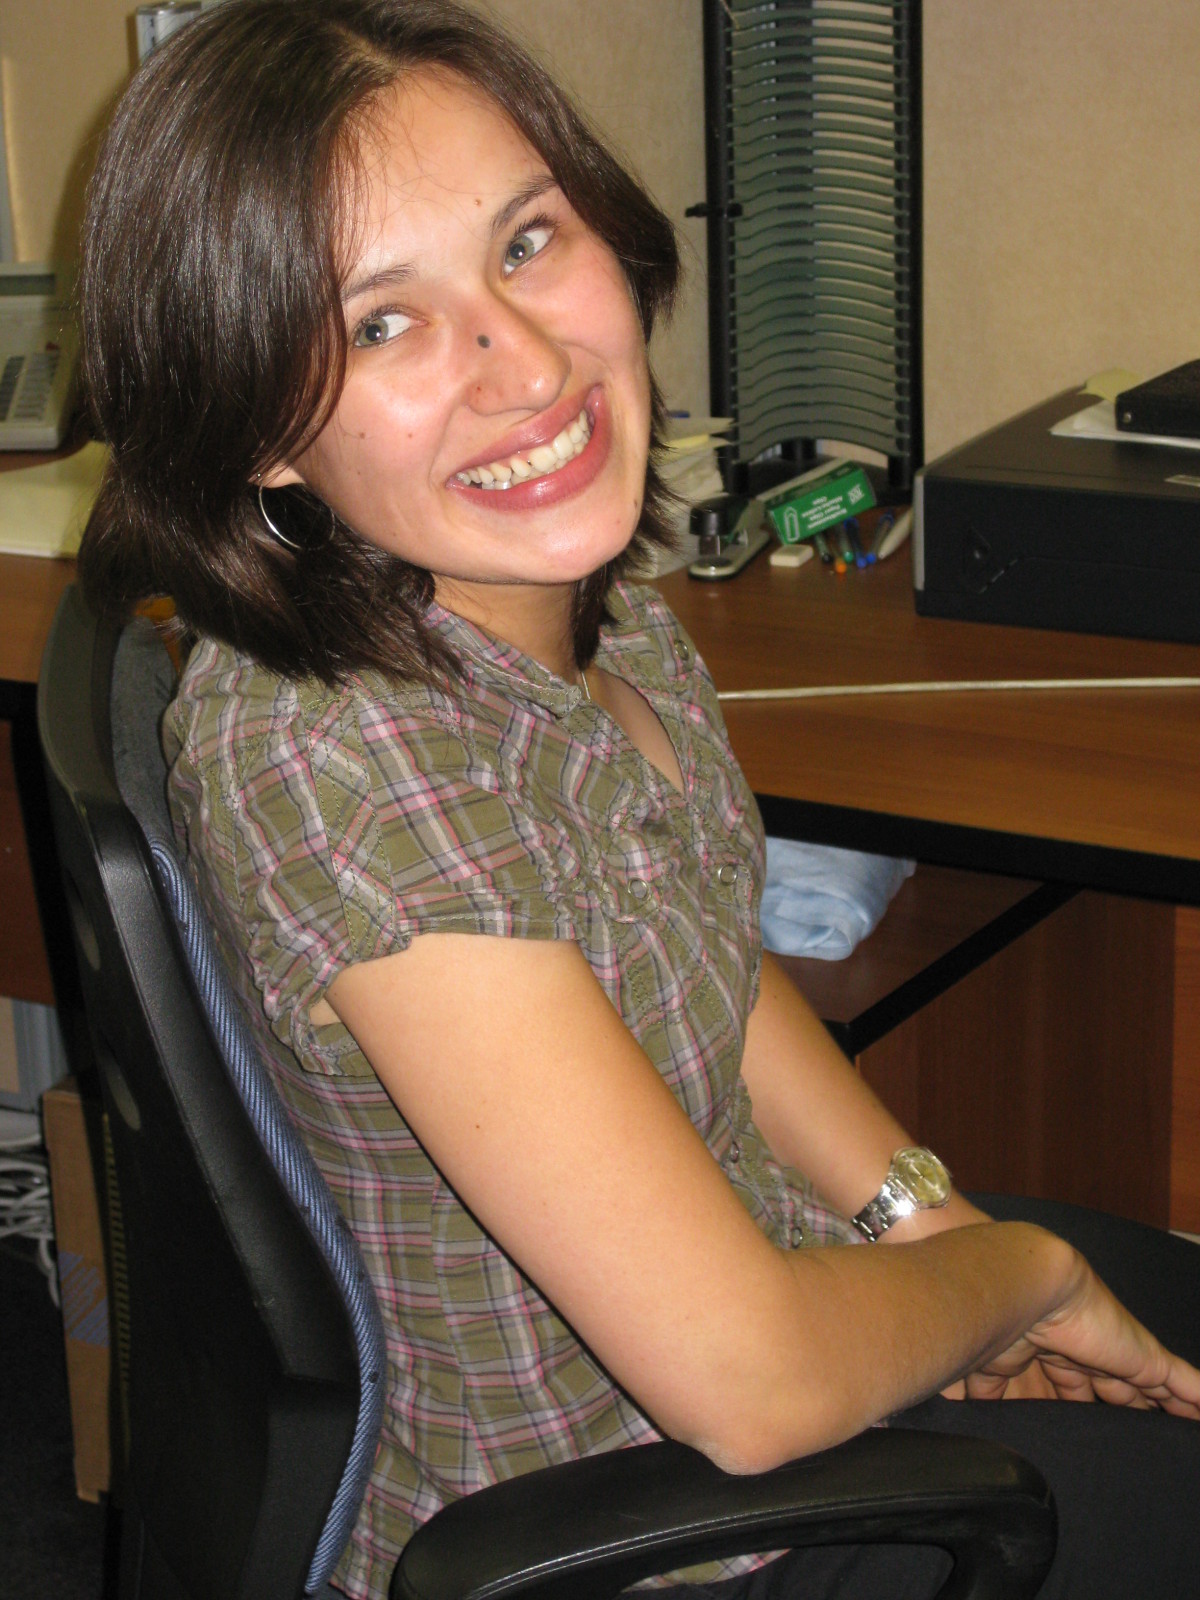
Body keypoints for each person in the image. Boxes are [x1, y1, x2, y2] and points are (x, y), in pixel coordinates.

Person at [77, 3, 1200, 1597]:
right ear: (256, 430)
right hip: (643, 1526)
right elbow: (752, 1385)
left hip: (751, 1312)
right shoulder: (354, 766)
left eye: (526, 242)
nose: (529, 364)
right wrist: (1019, 1277)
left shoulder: (570, 608)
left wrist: (929, 1223)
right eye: (382, 325)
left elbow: (704, 956)